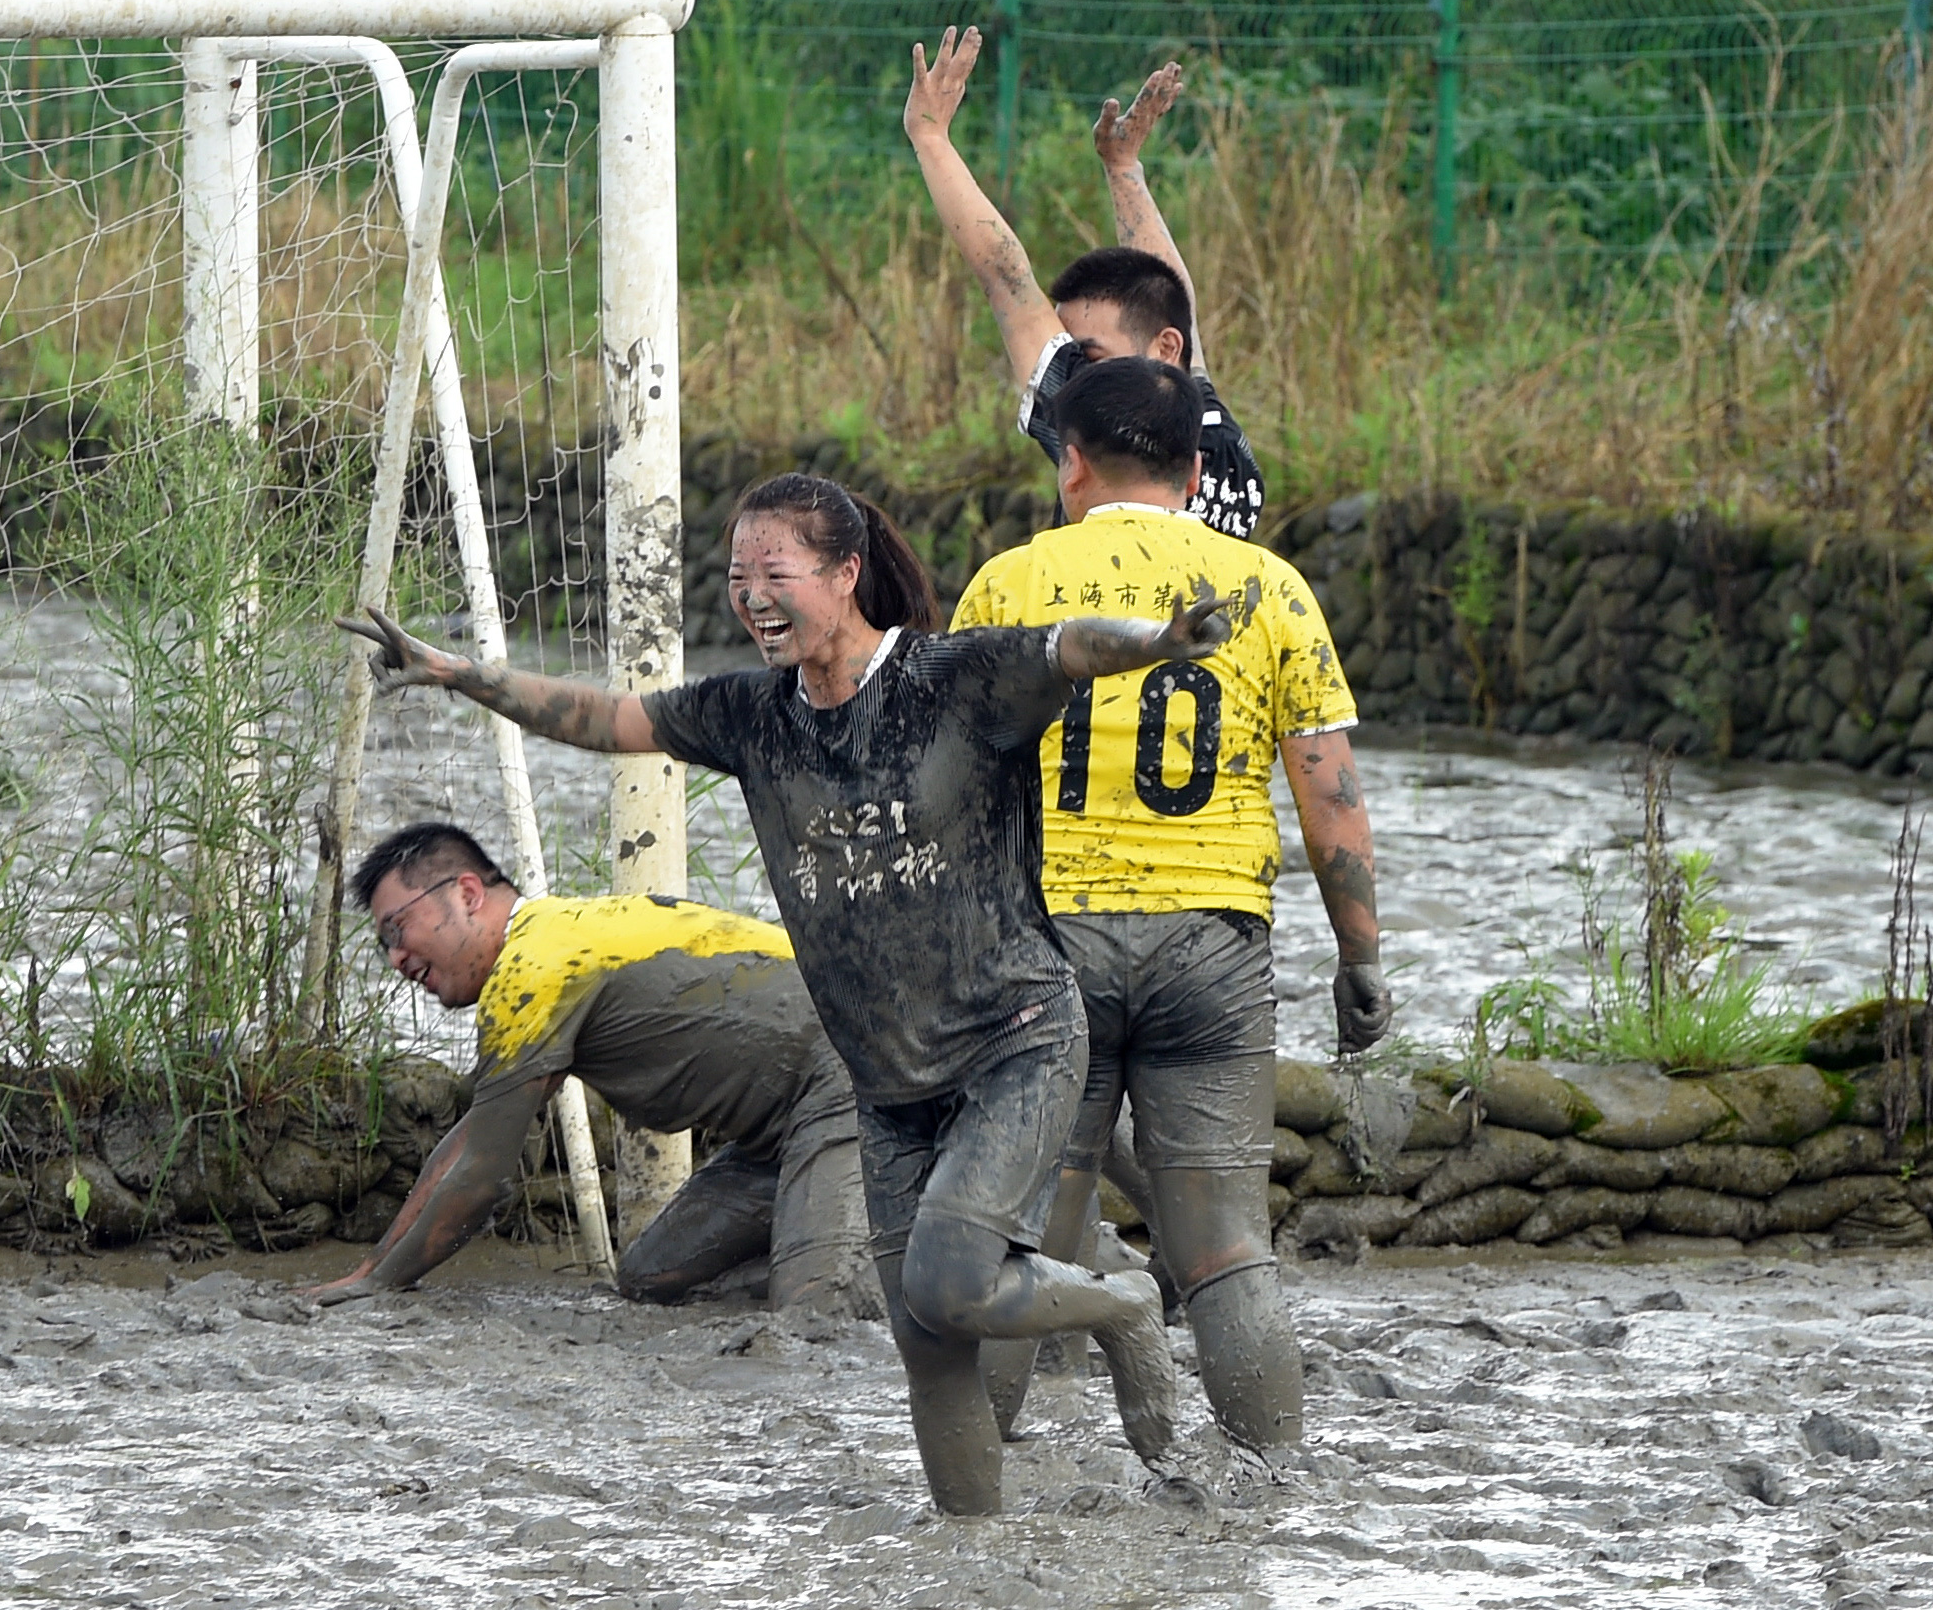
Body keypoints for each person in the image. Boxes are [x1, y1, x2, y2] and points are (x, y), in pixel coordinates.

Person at [335, 473, 1235, 1515]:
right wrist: (463, 676)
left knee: (946, 1280)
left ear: (846, 573)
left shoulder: (950, 680)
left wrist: (1157, 641)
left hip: (1015, 1040)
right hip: (885, 1078)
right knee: (927, 1343)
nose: (752, 597)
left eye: (775, 574)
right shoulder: (748, 716)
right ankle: (966, 1556)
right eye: (735, 577)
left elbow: (1068, 646)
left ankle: (1122, 1303)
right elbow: (603, 715)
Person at [952, 355, 1392, 1455]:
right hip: (1212, 947)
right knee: (1226, 1250)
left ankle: (974, 1500)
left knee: (1014, 1239)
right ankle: (1273, 1489)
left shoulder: (1006, 585)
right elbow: (1327, 792)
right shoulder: (1269, 587)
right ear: (1195, 470)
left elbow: (952, 781)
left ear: (1069, 461)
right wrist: (1360, 958)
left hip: (1047, 948)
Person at [300, 822, 875, 1316]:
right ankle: (867, 1243)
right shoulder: (550, 944)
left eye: (397, 932)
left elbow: (480, 1179)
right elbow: (472, 1141)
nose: (397, 959)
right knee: (653, 1279)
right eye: (383, 947)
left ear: (468, 893)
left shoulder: (532, 969)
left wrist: (381, 1285)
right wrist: (370, 1269)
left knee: (817, 1309)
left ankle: (867, 1254)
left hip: (850, 1077)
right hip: (778, 1133)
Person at [906, 33, 1263, 540]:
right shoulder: (1199, 421)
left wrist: (931, 138)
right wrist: (1123, 169)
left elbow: (1007, 282)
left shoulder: (1106, 439)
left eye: (1091, 357)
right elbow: (1168, 305)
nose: (1075, 374)